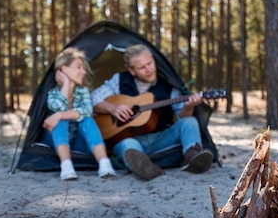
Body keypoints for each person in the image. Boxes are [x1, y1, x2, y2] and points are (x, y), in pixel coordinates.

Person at [90, 44, 213, 180]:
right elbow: (92, 99)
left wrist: (189, 107)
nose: (149, 69)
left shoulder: (168, 83)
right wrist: (112, 108)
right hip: (130, 139)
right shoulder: (119, 80)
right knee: (128, 146)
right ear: (131, 70)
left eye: (150, 63)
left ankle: (193, 156)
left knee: (189, 122)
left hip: (161, 138)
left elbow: (180, 117)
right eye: (142, 67)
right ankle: (144, 167)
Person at [43, 47, 116, 181]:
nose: (83, 72)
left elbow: (88, 111)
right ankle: (66, 166)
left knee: (87, 119)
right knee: (61, 121)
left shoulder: (83, 91)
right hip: (54, 142)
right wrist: (65, 83)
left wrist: (59, 115)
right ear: (64, 69)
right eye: (79, 67)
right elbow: (57, 107)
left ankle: (104, 164)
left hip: (78, 143)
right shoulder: (52, 92)